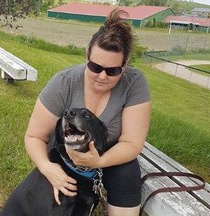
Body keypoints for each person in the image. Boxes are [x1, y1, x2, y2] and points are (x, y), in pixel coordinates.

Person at [14, 8, 150, 216]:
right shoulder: (64, 82)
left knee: (127, 173)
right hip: (67, 155)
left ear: (125, 65)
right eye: (95, 67)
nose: (102, 76)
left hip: (109, 153)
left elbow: (132, 143)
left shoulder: (134, 82)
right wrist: (47, 168)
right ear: (86, 56)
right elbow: (34, 136)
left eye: (112, 71)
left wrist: (99, 162)